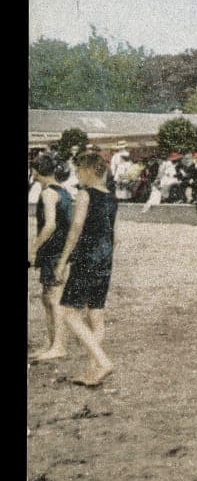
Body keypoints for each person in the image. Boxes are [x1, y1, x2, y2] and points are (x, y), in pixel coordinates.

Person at [48, 152, 120, 387]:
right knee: (96, 313)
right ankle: (93, 370)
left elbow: (76, 228)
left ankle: (103, 361)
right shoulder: (112, 196)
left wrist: (62, 262)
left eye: (79, 171)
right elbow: (113, 233)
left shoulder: (85, 194)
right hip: (105, 258)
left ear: (89, 171)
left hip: (87, 258)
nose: (77, 175)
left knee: (69, 312)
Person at [29, 154, 75, 361]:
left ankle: (59, 345)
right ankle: (51, 343)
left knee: (54, 299)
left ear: (37, 171)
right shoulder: (63, 192)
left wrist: (33, 248)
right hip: (57, 250)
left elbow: (50, 225)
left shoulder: (48, 193)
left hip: (53, 251)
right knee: (48, 297)